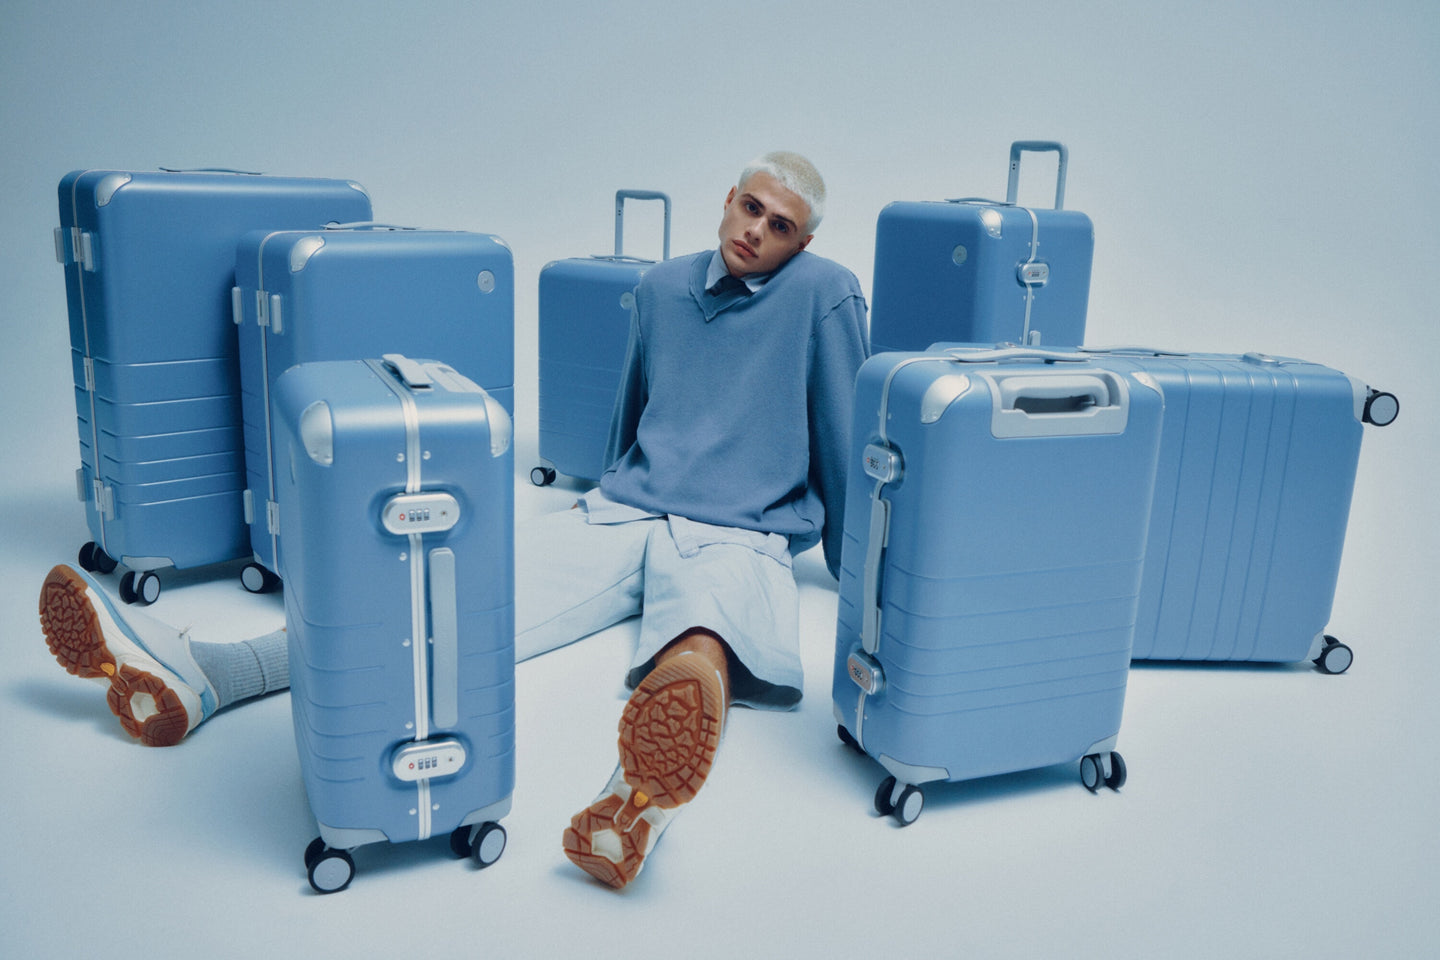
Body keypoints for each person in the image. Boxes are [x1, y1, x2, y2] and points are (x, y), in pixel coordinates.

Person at [37, 150, 869, 890]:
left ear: (804, 243)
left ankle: (632, 808)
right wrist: (612, 489)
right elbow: (633, 413)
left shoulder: (824, 297)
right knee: (433, 611)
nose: (757, 230)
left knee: (700, 645)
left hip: (739, 529)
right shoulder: (657, 288)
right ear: (727, 197)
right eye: (751, 207)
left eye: (782, 225)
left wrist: (855, 569)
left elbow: (844, 429)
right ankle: (212, 672)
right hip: (627, 507)